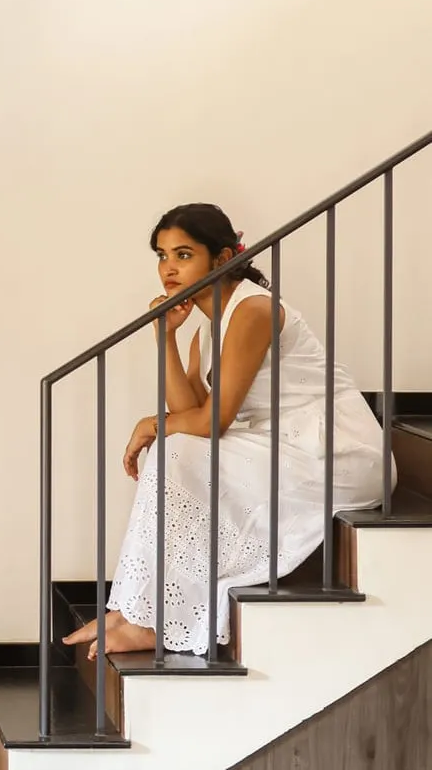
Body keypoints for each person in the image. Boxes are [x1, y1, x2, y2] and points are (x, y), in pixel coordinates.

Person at [63, 203, 392, 658]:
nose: (168, 269)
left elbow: (210, 422)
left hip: (336, 452)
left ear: (220, 259)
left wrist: (150, 425)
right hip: (283, 441)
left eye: (183, 255)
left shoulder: (253, 311)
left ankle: (154, 620)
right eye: (162, 256)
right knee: (176, 450)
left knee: (173, 452)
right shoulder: (208, 329)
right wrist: (166, 337)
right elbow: (191, 413)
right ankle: (136, 607)